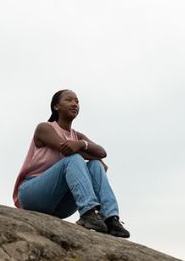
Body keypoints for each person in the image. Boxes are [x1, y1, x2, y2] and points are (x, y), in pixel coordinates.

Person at [13, 89, 129, 238]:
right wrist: (87, 153)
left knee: (95, 165)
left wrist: (81, 144)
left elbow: (102, 152)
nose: (74, 104)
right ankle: (88, 213)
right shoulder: (44, 128)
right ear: (56, 106)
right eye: (69, 100)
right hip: (33, 194)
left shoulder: (77, 136)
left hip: (60, 205)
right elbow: (67, 150)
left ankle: (110, 218)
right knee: (74, 159)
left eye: (77, 101)